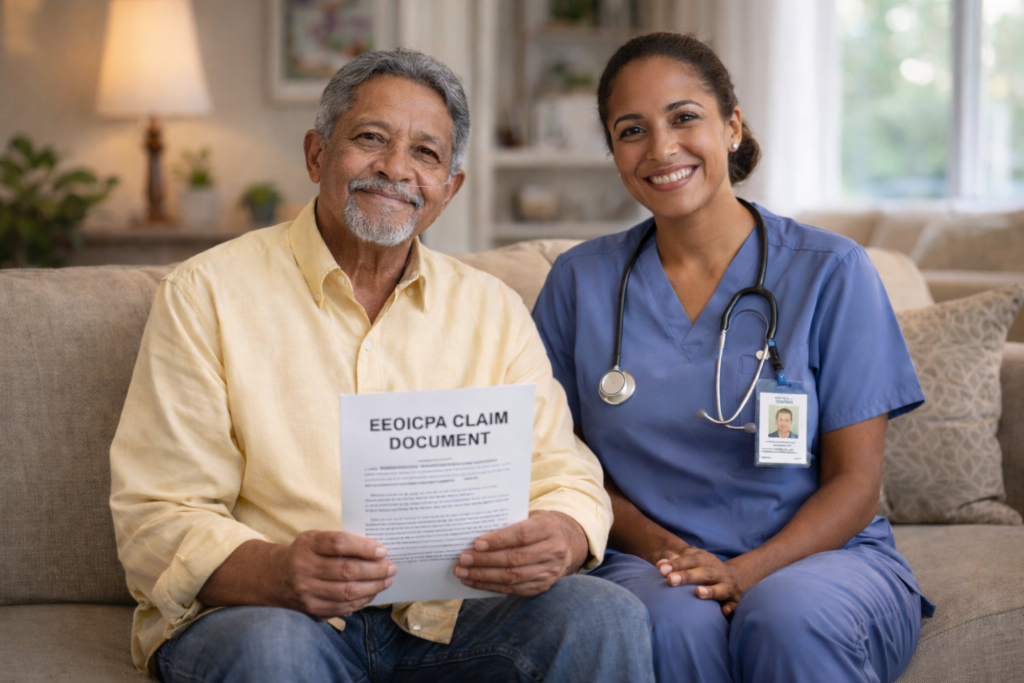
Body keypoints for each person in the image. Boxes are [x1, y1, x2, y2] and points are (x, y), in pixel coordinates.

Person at [110, 48, 653, 683]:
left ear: (448, 190)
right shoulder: (205, 294)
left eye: (425, 153)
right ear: (316, 154)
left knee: (605, 615)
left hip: (452, 618)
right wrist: (275, 571)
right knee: (273, 650)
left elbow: (565, 473)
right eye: (370, 138)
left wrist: (562, 532)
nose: (396, 168)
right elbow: (158, 511)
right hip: (271, 613)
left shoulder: (492, 309)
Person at [532, 32, 934, 683]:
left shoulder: (832, 270)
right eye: (632, 130)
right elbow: (558, 463)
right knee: (668, 622)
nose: (661, 148)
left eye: (684, 117)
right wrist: (672, 554)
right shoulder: (580, 283)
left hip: (819, 556)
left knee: (787, 617)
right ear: (613, 153)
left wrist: (746, 571)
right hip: (650, 560)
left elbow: (856, 483)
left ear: (732, 126)